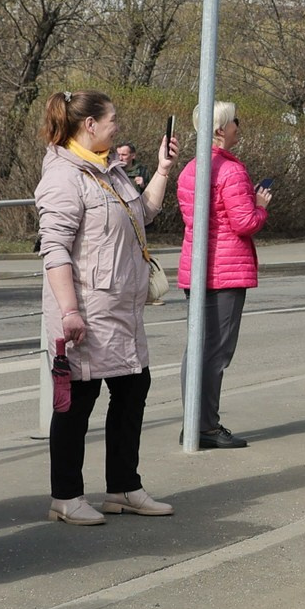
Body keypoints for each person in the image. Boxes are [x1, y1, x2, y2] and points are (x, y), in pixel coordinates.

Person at [39, 90, 179, 524]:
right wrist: (69, 312)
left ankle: (123, 487)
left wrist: (162, 170)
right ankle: (66, 495)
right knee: (77, 402)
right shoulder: (64, 175)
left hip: (122, 307)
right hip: (86, 311)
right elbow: (55, 250)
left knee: (133, 389)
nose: (118, 125)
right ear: (90, 125)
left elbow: (145, 214)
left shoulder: (109, 170)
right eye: (112, 119)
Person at [175, 102, 270, 449]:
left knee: (197, 349)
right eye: (234, 122)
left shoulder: (191, 168)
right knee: (216, 352)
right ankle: (206, 427)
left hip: (197, 266)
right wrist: (261, 206)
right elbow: (243, 223)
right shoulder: (230, 171)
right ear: (219, 130)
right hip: (226, 270)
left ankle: (193, 422)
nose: (238, 127)